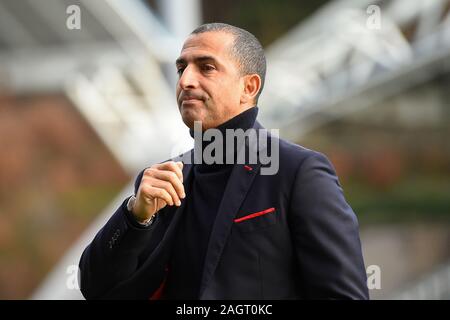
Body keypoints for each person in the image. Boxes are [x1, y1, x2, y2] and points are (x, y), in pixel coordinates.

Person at [79, 23, 369, 300]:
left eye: (206, 67)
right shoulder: (159, 181)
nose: (185, 81)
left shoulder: (299, 172)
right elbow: (94, 288)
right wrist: (135, 217)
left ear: (249, 87)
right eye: (181, 68)